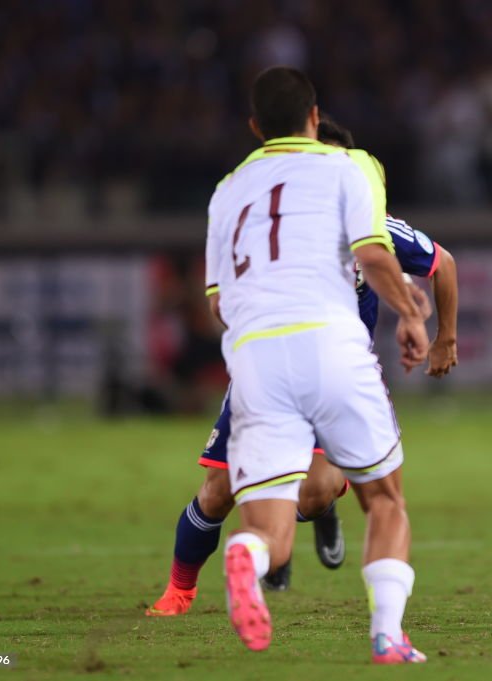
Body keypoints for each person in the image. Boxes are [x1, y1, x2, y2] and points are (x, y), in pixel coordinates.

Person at [146, 115, 458, 616]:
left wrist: (440, 335)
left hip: (335, 372)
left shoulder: (371, 224)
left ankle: (310, 522)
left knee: (313, 495)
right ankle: (179, 592)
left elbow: (439, 262)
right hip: (270, 367)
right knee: (218, 491)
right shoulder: (270, 226)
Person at [205, 66, 438, 661]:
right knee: (383, 499)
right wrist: (410, 315)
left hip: (255, 360)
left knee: (269, 527)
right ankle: (387, 635)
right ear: (314, 117)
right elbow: (373, 253)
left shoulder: (228, 190)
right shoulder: (348, 166)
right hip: (331, 343)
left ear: (255, 127)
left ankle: (248, 554)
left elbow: (217, 304)